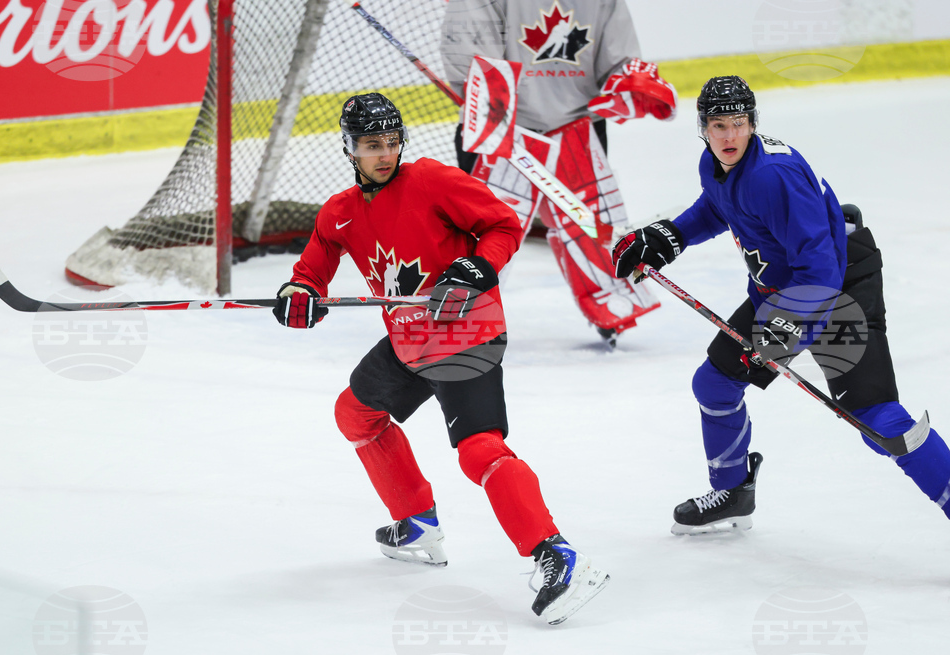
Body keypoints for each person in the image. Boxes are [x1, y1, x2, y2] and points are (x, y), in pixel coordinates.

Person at [274, 92, 609, 623]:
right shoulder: (340, 213)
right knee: (354, 412)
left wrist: (480, 266)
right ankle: (417, 522)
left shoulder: (430, 180)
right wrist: (300, 292)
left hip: (465, 331)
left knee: (479, 450)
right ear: (349, 149)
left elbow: (503, 224)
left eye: (391, 142)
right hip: (410, 339)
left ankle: (558, 555)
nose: (384, 154)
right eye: (370, 145)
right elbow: (314, 266)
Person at [612, 75, 950, 535]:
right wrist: (670, 236)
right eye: (717, 125)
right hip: (782, 293)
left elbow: (822, 269)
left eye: (737, 123)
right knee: (714, 384)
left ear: (752, 123)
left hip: (838, 291)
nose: (728, 135)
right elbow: (719, 207)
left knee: (878, 419)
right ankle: (734, 492)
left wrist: (788, 326)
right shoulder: (716, 166)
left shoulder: (774, 176)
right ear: (703, 129)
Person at [441, 0, 678, 345]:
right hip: (502, 126)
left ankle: (609, 304)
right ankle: (456, 313)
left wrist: (631, 84)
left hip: (578, 128)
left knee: (591, 225)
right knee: (485, 231)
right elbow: (471, 52)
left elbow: (619, 60)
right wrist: (487, 102)